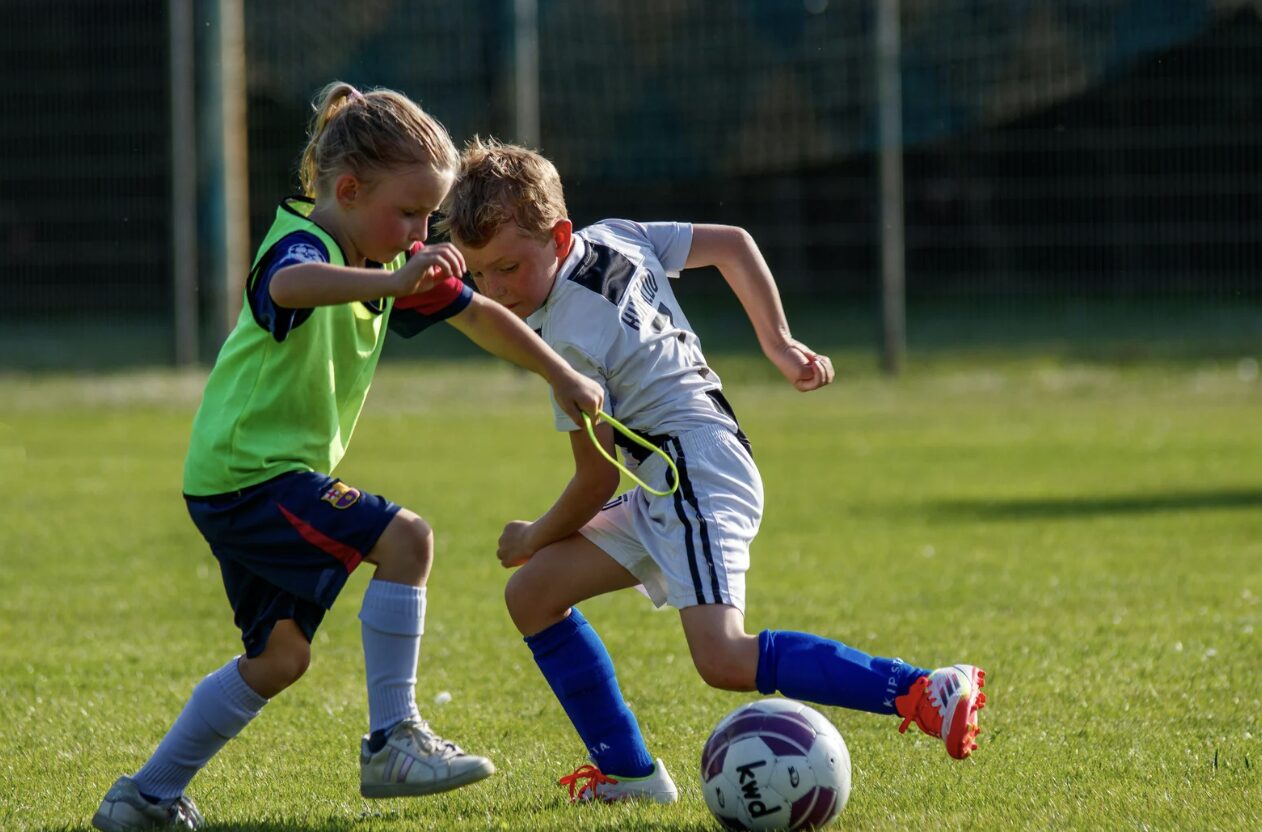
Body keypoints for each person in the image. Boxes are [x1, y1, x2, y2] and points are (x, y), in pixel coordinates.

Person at [91, 87, 604, 831]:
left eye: (429, 217)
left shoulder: (382, 258)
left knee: (280, 660)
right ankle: (394, 740)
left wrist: (559, 372)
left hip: (242, 481)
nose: (421, 233)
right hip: (251, 476)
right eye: (409, 213)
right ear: (349, 191)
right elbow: (285, 284)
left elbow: (481, 317)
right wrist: (392, 281)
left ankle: (144, 797)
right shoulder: (306, 246)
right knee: (408, 539)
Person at [439, 138, 987, 804]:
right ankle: (631, 774)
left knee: (723, 657)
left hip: (689, 470)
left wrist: (532, 534)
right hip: (682, 467)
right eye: (480, 274)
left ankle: (924, 689)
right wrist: (777, 342)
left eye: (508, 268)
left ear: (557, 237)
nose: (495, 291)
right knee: (532, 594)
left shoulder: (571, 340)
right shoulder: (614, 236)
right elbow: (732, 244)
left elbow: (595, 481)